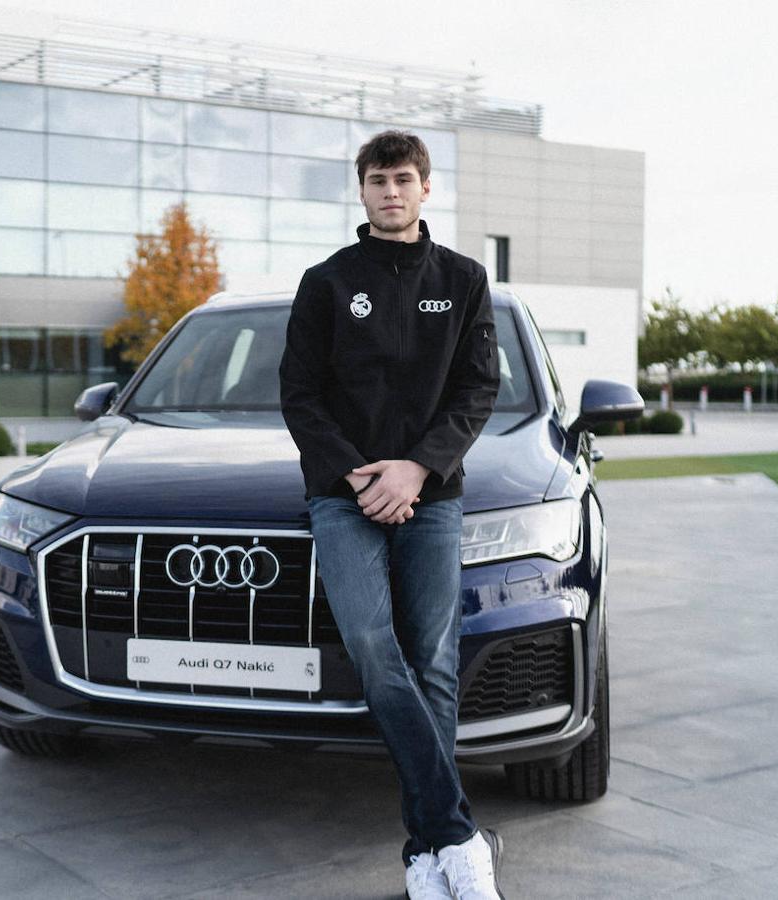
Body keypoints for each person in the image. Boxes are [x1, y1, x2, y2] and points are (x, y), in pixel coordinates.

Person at [278, 130, 504, 900]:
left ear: (425, 188)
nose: (390, 191)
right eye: (377, 180)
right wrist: (359, 474)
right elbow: (300, 395)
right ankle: (458, 835)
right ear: (362, 190)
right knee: (376, 647)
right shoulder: (325, 282)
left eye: (403, 178)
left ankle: (423, 853)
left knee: (434, 662)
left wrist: (415, 468)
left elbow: (477, 389)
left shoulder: (466, 280)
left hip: (433, 495)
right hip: (343, 496)